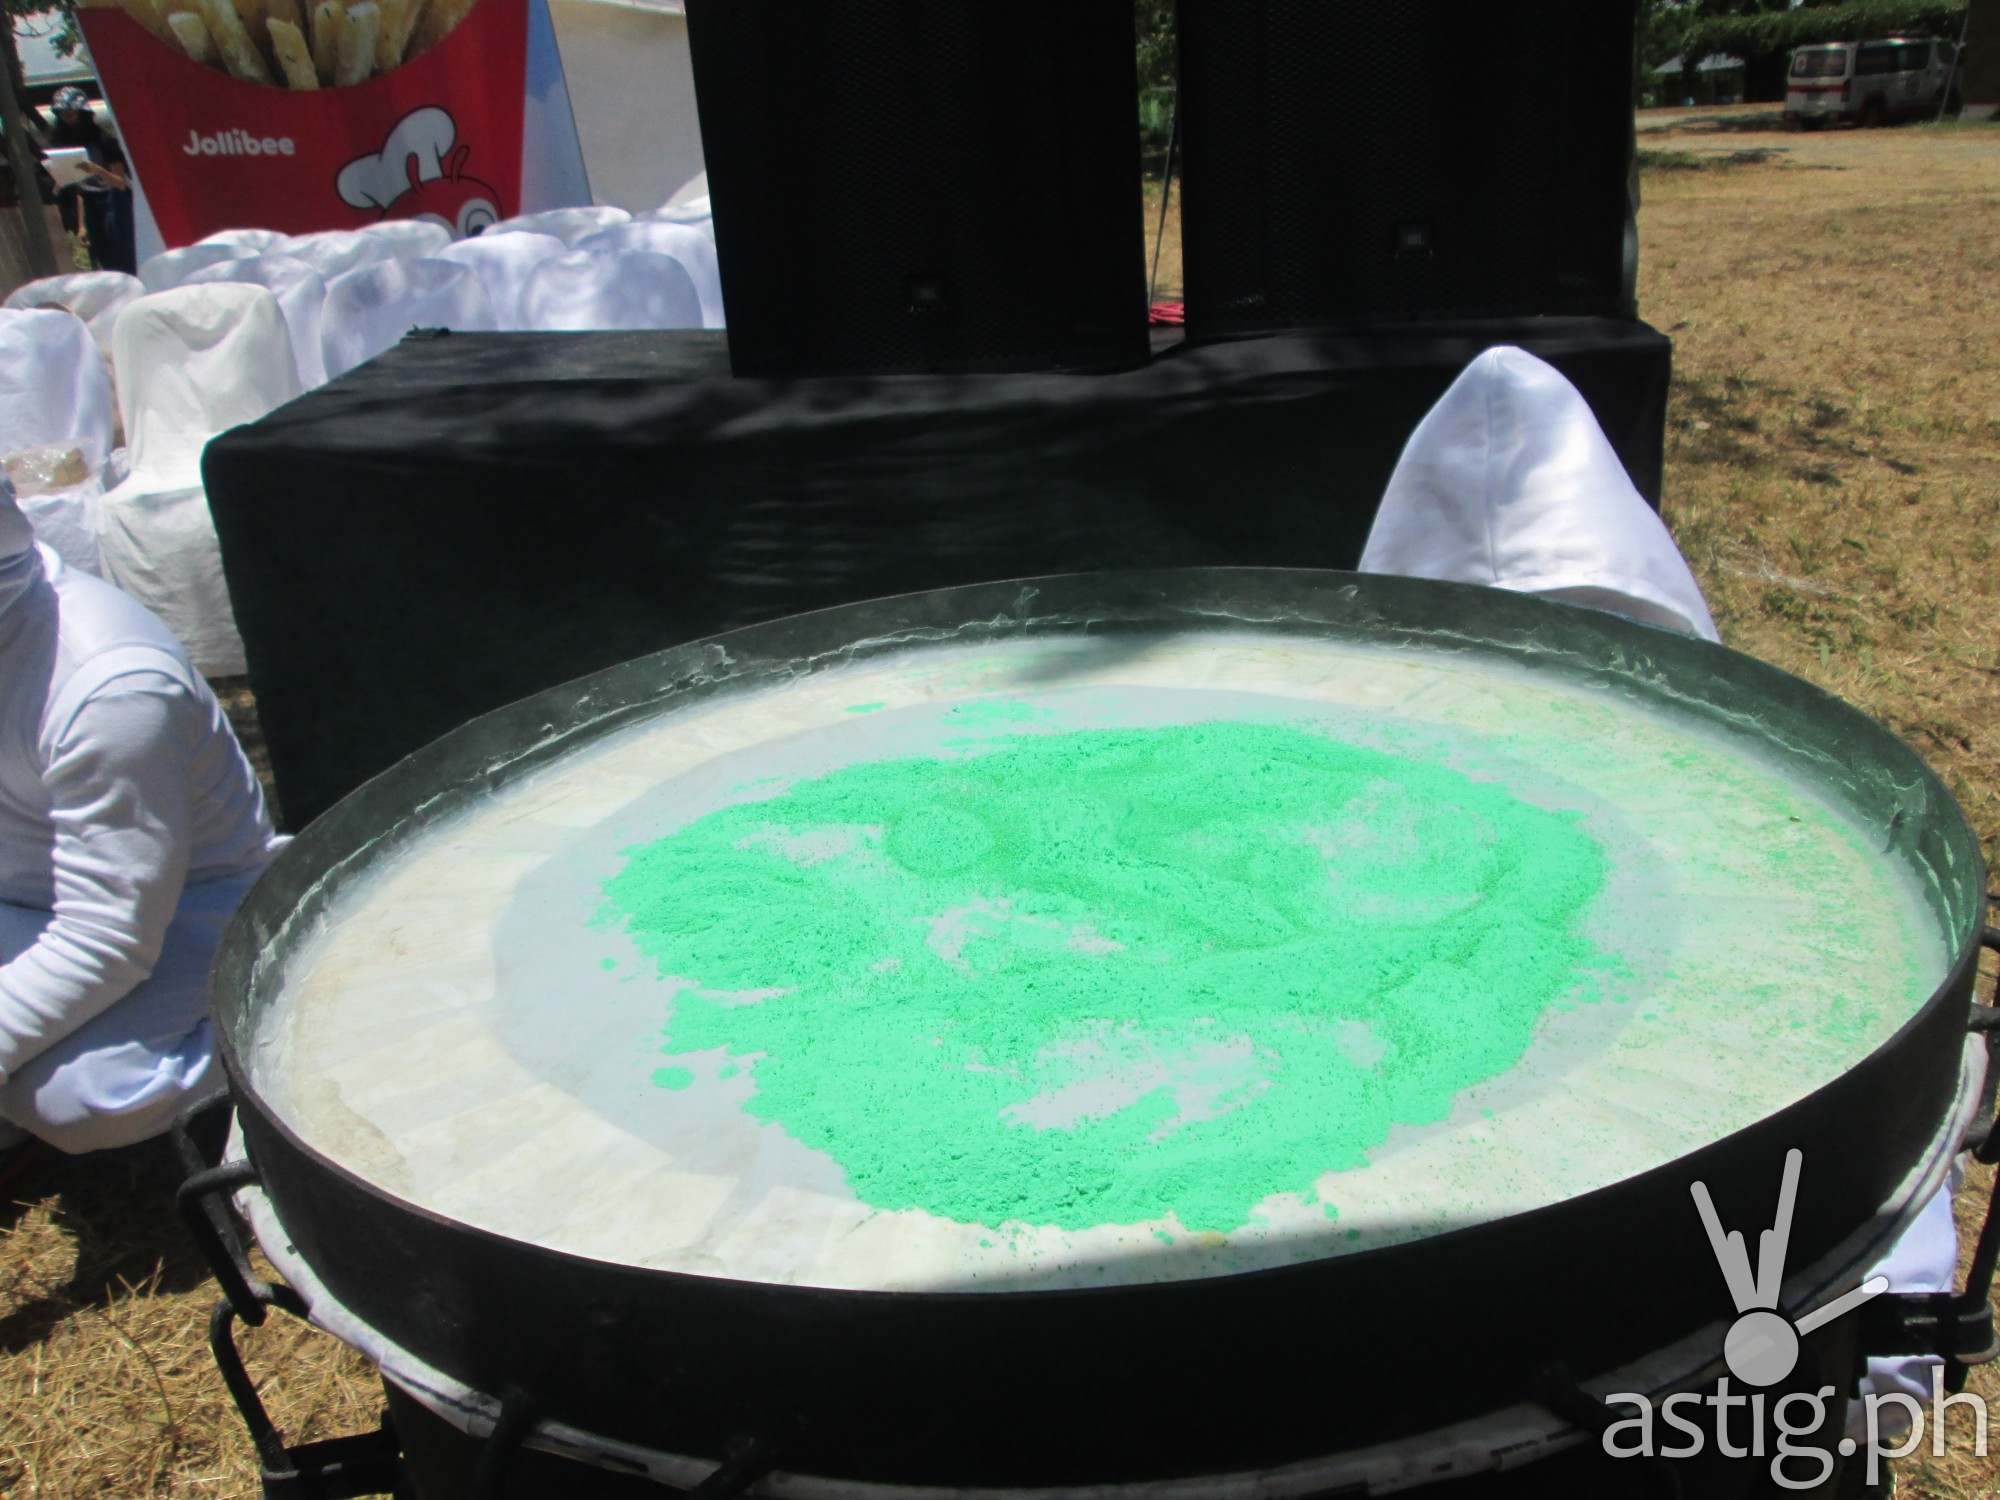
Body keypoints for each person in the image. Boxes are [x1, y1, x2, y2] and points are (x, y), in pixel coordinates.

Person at [0, 475, 281, 1167]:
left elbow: (106, 938)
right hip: (25, 897)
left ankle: (277, 1010)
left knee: (82, 1095)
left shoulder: (109, 689)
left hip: (191, 912)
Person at [40, 87, 136, 274]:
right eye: (63, 115)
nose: (67, 119)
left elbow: (120, 183)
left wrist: (97, 170)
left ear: (82, 113)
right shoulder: (64, 144)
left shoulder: (104, 141)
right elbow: (80, 189)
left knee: (124, 258)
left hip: (113, 203)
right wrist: (82, 226)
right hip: (90, 205)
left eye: (71, 114)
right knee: (103, 261)